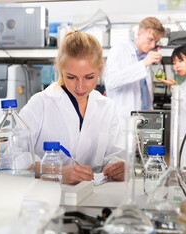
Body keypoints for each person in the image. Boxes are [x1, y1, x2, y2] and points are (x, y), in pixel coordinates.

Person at [19, 30, 125, 185]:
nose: (80, 87)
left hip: (92, 197)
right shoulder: (40, 103)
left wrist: (118, 167)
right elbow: (10, 157)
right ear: (61, 70)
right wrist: (54, 171)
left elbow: (114, 154)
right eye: (71, 77)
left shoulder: (107, 108)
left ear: (100, 70)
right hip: (46, 197)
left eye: (89, 77)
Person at [103, 17, 165, 122]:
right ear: (139, 33)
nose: (153, 45)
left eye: (156, 41)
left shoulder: (146, 57)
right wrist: (143, 64)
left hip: (145, 121)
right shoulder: (119, 49)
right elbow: (110, 82)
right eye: (150, 39)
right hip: (123, 121)